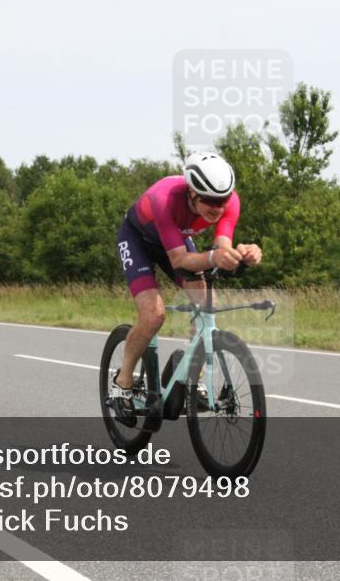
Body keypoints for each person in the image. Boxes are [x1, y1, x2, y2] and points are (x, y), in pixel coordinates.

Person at [110, 151, 262, 409]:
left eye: (222, 200)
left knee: (206, 302)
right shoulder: (164, 198)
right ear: (191, 193)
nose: (217, 207)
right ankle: (122, 382)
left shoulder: (230, 202)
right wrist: (216, 257)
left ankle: (193, 377)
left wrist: (243, 254)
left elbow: (220, 246)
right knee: (153, 315)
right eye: (209, 201)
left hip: (174, 239)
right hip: (138, 240)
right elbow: (179, 260)